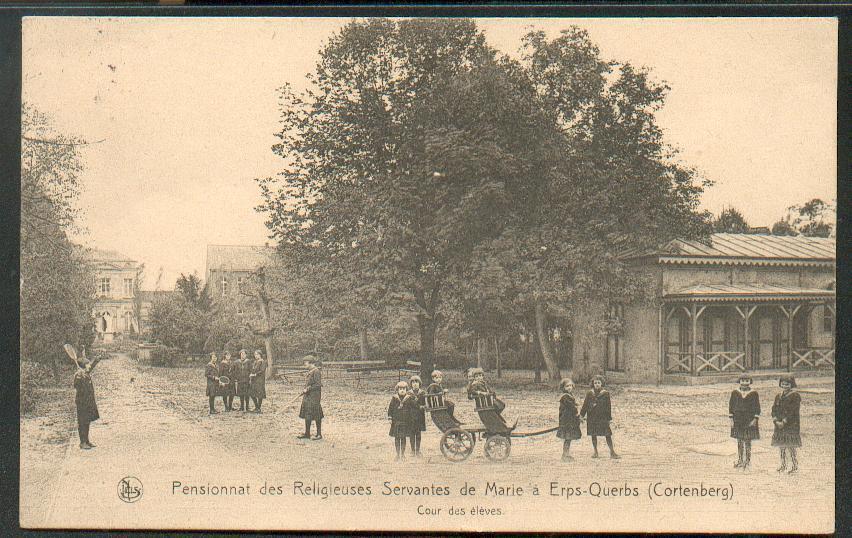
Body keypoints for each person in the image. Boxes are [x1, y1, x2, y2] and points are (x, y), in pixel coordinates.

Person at [580, 375, 619, 459]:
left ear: (602, 383)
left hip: (603, 418)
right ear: (593, 384)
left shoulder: (605, 393)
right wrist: (581, 415)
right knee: (593, 435)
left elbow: (608, 407)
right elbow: (585, 405)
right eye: (595, 383)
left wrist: (609, 419)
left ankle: (612, 452)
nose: (597, 384)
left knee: (607, 434)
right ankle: (595, 452)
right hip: (592, 418)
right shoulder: (589, 393)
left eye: (598, 383)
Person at [729, 373, 761, 469]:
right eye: (742, 380)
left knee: (747, 440)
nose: (744, 382)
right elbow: (731, 406)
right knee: (739, 440)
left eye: (747, 380)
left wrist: (755, 419)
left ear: (750, 382)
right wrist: (731, 419)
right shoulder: (735, 392)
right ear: (739, 381)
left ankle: (747, 461)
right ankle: (740, 460)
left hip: (749, 419)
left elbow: (757, 407)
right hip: (738, 420)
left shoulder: (754, 393)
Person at [771, 374, 801, 474]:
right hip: (779, 425)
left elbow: (793, 410)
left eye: (787, 384)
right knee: (782, 446)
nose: (785, 386)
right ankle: (783, 465)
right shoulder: (778, 396)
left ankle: (794, 465)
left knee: (791, 445)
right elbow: (774, 409)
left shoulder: (795, 396)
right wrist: (776, 420)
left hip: (791, 424)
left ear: (791, 384)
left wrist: (784, 421)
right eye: (783, 384)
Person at [73, 355, 101, 449]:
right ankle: (82, 442)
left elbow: (91, 367)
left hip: (88, 401)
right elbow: (76, 386)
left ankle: (87, 440)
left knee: (87, 421)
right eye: (88, 364)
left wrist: (96, 360)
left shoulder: (85, 373)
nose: (89, 365)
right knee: (82, 422)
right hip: (82, 402)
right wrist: (79, 377)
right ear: (84, 365)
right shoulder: (78, 375)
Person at [557, 378, 582, 461]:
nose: (569, 387)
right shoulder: (565, 397)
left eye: (571, 385)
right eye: (567, 386)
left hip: (570, 419)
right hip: (567, 420)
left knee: (569, 438)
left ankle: (566, 454)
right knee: (568, 438)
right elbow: (571, 407)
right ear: (563, 387)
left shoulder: (569, 395)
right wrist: (577, 411)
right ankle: (565, 455)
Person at [298, 358, 324, 440]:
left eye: (305, 362)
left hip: (314, 397)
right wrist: (305, 390)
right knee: (307, 414)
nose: (304, 364)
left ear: (311, 362)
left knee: (316, 414)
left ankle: (319, 434)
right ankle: (307, 433)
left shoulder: (316, 371)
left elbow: (318, 384)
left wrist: (308, 389)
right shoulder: (310, 371)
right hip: (308, 396)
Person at [388, 381, 411, 460]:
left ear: (406, 390)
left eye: (404, 389)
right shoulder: (394, 399)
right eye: (400, 389)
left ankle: (403, 454)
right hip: (396, 422)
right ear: (397, 390)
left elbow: (411, 409)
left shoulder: (408, 399)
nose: (402, 390)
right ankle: (398, 454)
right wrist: (390, 417)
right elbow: (390, 408)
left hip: (405, 422)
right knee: (397, 438)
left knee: (403, 438)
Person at [405, 375, 427, 457]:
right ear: (411, 384)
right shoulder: (408, 394)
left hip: (419, 416)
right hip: (410, 417)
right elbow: (407, 405)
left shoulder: (422, 393)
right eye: (413, 382)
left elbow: (425, 403)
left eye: (416, 382)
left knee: (418, 434)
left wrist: (424, 406)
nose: (415, 384)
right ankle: (412, 450)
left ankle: (417, 450)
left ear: (419, 383)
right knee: (411, 433)